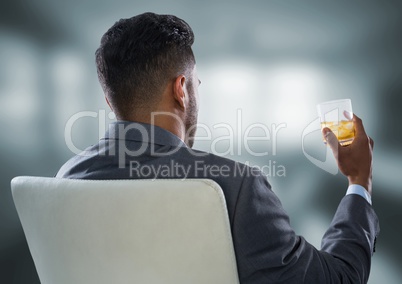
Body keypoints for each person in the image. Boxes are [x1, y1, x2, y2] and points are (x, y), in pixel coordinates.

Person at [57, 12, 379, 283]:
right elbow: (340, 278)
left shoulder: (66, 180)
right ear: (181, 90)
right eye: (196, 84)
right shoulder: (235, 188)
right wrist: (358, 182)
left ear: (109, 100)